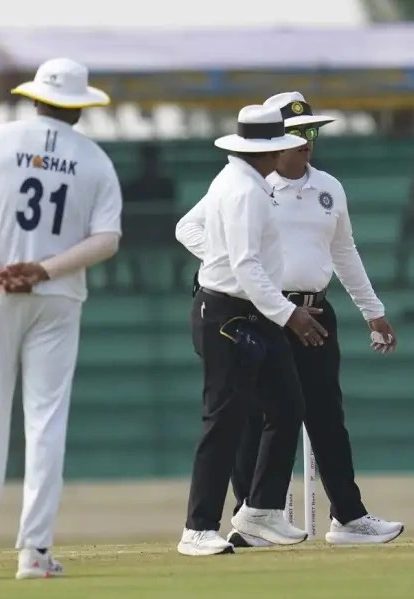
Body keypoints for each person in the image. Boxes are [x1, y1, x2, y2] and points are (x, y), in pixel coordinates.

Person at [176, 92, 405, 547]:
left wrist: (372, 310)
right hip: (260, 310)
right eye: (295, 136)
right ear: (273, 145)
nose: (305, 144)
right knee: (248, 415)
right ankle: (247, 512)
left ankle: (338, 516)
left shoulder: (326, 188)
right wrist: (228, 267)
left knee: (315, 412)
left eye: (309, 134)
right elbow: (194, 230)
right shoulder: (245, 187)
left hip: (311, 308)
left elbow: (344, 251)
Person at [0, 57, 121, 579]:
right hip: (59, 294)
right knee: (45, 421)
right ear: (80, 108)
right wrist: (42, 270)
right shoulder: (94, 159)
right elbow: (107, 240)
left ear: (35, 97)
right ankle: (34, 552)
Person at [176, 104, 327, 557]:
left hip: (251, 312)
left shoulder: (239, 181)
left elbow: (225, 251)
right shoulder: (245, 191)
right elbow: (244, 265)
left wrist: (220, 262)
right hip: (227, 315)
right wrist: (289, 314)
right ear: (269, 151)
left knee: (287, 405)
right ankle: (198, 527)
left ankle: (261, 510)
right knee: (223, 420)